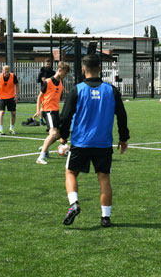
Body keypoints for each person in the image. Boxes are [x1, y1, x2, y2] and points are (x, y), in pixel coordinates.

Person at [59, 54, 129, 228]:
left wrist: (63, 136)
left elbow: (65, 116)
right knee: (104, 178)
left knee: (70, 173)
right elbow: (121, 115)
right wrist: (123, 137)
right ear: (100, 68)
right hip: (103, 143)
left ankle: (74, 203)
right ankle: (105, 218)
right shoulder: (111, 90)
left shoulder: (77, 89)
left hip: (81, 142)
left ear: (83, 69)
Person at [33, 62, 70, 165]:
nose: (65, 75)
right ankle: (41, 156)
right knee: (53, 134)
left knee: (57, 135)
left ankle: (45, 147)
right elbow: (40, 97)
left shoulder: (60, 83)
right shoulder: (48, 82)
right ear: (60, 70)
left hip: (55, 111)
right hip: (48, 111)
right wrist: (38, 110)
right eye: (65, 73)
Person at [0, 65, 19, 135]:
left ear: (9, 71)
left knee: (13, 113)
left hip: (11, 97)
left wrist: (16, 95)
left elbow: (17, 84)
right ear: (2, 71)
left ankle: (11, 128)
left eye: (8, 71)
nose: (6, 73)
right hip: (2, 97)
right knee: (1, 113)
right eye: (5, 72)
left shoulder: (13, 76)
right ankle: (1, 130)